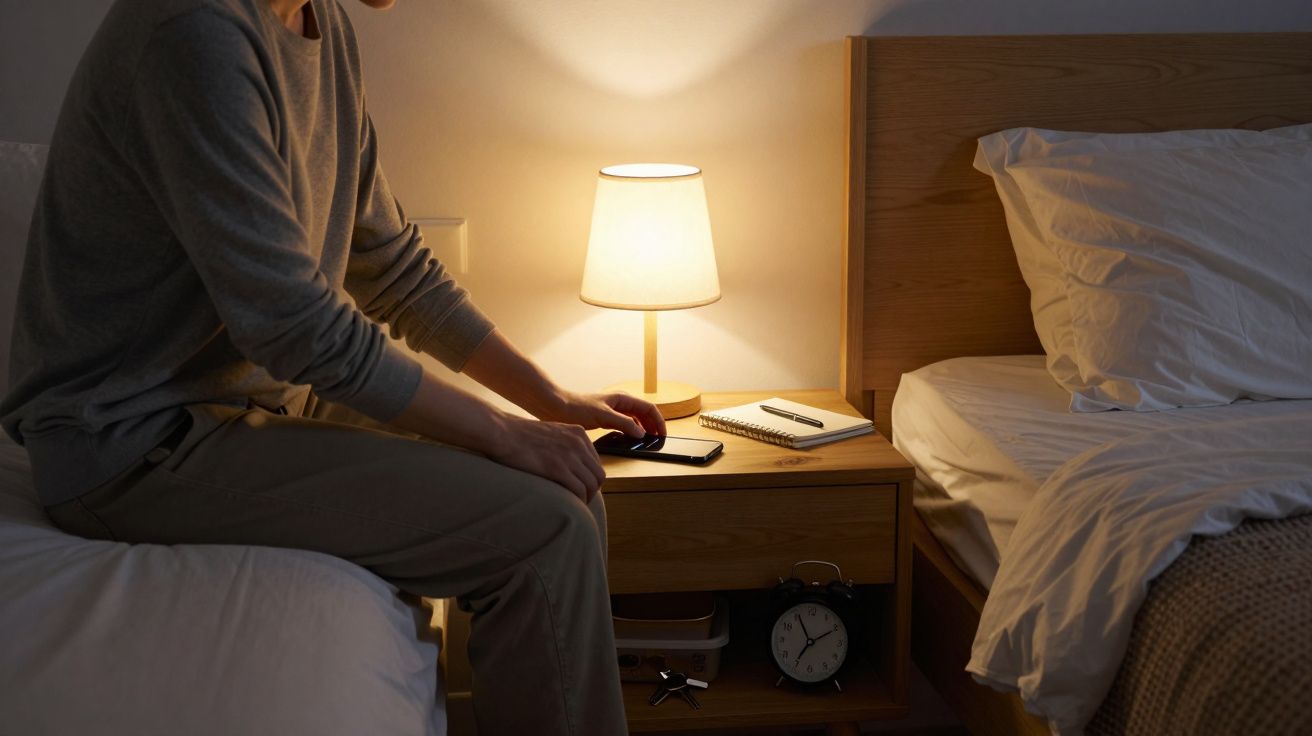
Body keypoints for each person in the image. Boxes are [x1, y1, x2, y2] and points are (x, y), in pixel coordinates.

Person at [0, 0, 662, 733]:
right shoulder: (193, 33)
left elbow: (391, 264)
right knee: (546, 535)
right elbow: (296, 326)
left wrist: (549, 400)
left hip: (255, 403)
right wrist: (504, 433)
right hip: (132, 441)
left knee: (565, 494)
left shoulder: (324, 27)